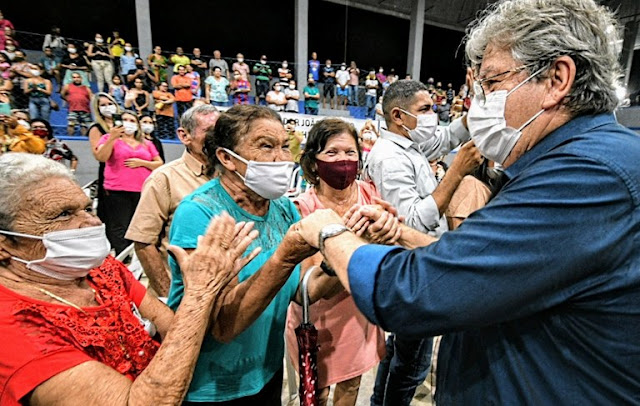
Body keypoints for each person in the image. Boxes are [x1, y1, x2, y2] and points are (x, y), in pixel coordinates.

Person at [295, 0, 640, 404]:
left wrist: (329, 231)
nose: (479, 104)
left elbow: (413, 291)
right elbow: (490, 265)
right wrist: (402, 233)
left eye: (491, 84)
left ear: (556, 79)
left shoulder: (586, 176)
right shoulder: (573, 163)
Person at [0, 152, 257, 406]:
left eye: (88, 208)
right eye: (64, 214)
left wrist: (217, 285)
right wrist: (199, 293)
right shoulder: (11, 329)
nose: (91, 222)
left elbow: (175, 330)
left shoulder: (101, 270)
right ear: (4, 244)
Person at [167, 104, 328, 404]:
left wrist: (339, 255)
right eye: (266, 146)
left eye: (284, 146)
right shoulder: (199, 213)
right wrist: (284, 257)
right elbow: (223, 327)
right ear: (227, 158)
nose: (281, 158)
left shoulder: (282, 207)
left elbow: (304, 290)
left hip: (266, 372)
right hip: (213, 386)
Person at [363, 79, 481, 406]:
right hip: (411, 270)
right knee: (413, 365)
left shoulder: (410, 144)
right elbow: (411, 221)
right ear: (399, 116)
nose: (434, 116)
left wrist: (481, 96)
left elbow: (450, 135)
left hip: (417, 263)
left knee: (400, 353)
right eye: (425, 110)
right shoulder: (389, 157)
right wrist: (455, 173)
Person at [285, 118, 387, 406]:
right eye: (332, 153)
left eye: (350, 152)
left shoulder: (370, 195)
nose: (343, 160)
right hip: (318, 320)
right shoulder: (303, 208)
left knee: (351, 385)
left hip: (358, 314)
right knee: (315, 393)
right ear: (314, 162)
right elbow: (310, 288)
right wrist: (359, 246)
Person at [126, 105, 219, 297]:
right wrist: (169, 297)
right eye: (209, 131)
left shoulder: (231, 176)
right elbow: (143, 243)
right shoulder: (164, 179)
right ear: (184, 136)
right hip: (180, 296)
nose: (217, 138)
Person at [93, 110, 163, 254]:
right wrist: (112, 138)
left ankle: (139, 254)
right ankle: (123, 255)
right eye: (125, 120)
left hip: (142, 188)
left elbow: (159, 163)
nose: (129, 123)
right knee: (119, 224)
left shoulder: (146, 143)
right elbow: (101, 157)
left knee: (139, 224)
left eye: (132, 120)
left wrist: (142, 163)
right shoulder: (107, 138)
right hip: (117, 189)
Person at [88, 92, 121, 223]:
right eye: (103, 105)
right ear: (98, 109)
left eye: (110, 103)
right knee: (112, 213)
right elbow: (99, 156)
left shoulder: (127, 123)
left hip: (130, 171)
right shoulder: (96, 128)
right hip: (110, 173)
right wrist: (112, 137)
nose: (108, 107)